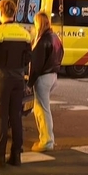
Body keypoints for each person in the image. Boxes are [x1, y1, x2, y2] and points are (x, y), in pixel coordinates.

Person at [0, 0, 32, 166]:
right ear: (14, 13)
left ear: (0, 13)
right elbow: (28, 58)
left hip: (1, 79)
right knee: (16, 117)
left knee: (1, 118)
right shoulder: (24, 34)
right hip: (18, 79)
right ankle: (16, 155)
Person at [28, 11, 63, 152]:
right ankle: (47, 139)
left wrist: (29, 83)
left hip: (43, 77)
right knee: (42, 109)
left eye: (35, 22)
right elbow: (61, 53)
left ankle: (46, 141)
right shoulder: (55, 37)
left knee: (42, 111)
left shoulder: (42, 40)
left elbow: (36, 65)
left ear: (39, 23)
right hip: (53, 75)